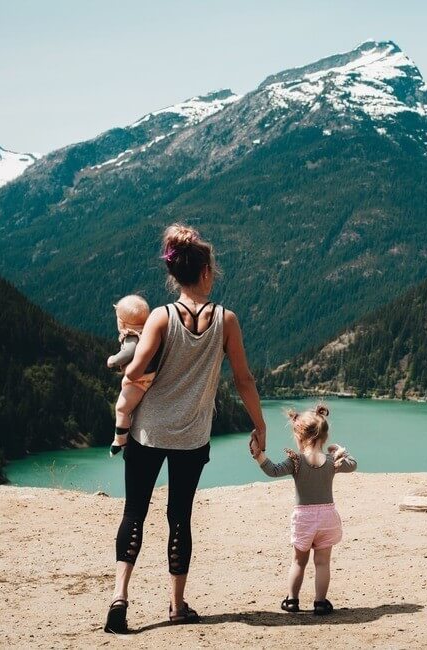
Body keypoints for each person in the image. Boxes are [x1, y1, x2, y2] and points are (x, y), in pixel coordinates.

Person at [104, 223, 267, 634]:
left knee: (134, 512)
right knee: (180, 518)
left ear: (175, 275)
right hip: (192, 437)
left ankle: (120, 598)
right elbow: (244, 380)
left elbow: (137, 369)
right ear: (207, 271)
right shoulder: (227, 320)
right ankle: (177, 606)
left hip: (148, 433)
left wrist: (129, 375)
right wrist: (260, 424)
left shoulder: (160, 317)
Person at [251, 405, 357, 616]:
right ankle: (320, 602)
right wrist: (341, 451)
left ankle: (292, 601)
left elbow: (272, 470)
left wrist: (258, 455)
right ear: (324, 437)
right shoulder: (331, 461)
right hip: (328, 518)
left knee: (298, 561)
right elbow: (353, 465)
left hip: (304, 519)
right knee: (323, 562)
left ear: (299, 437)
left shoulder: (296, 461)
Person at [106, 294, 158, 456]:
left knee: (122, 408)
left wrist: (112, 361)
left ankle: (119, 440)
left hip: (139, 381)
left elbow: (128, 353)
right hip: (153, 375)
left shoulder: (131, 336)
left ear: (120, 322)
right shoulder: (150, 331)